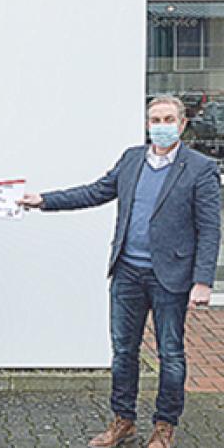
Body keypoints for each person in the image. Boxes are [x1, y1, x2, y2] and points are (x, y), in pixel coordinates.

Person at [20, 95, 220, 448]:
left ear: (182, 124)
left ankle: (164, 426)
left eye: (168, 119)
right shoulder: (131, 159)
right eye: (155, 120)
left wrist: (202, 281)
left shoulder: (200, 168)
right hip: (127, 272)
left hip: (170, 276)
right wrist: (44, 200)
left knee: (171, 354)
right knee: (124, 352)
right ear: (147, 124)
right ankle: (123, 421)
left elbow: (209, 228)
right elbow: (95, 192)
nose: (161, 126)